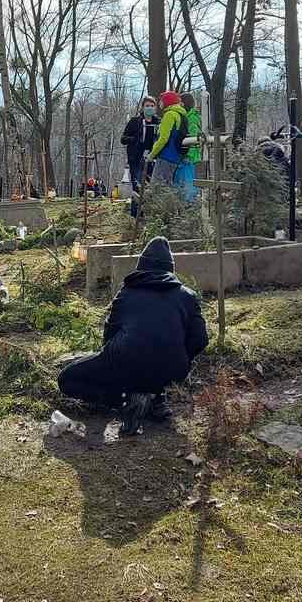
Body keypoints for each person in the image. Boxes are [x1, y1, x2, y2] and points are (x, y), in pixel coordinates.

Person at [57, 236, 208, 434]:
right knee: (153, 364)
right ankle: (154, 397)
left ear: (141, 267)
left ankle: (124, 399)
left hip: (126, 361)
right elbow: (201, 340)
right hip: (173, 370)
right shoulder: (186, 296)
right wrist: (178, 357)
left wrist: (111, 365)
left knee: (66, 379)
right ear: (170, 268)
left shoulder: (127, 293)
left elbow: (109, 336)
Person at [148, 91, 189, 188]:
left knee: (157, 187)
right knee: (168, 186)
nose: (159, 103)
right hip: (176, 156)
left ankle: (157, 203)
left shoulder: (169, 115)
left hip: (166, 156)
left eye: (161, 101)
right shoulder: (182, 115)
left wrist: (152, 154)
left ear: (167, 102)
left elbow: (163, 138)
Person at [120, 96, 159, 197]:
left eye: (152, 106)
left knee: (150, 186)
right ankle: (135, 211)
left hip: (152, 158)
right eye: (147, 106)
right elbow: (123, 139)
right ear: (142, 108)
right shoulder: (135, 121)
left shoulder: (159, 122)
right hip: (136, 159)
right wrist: (134, 139)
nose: (149, 108)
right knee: (137, 186)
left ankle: (147, 210)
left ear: (155, 108)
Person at [176, 92, 203, 202]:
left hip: (190, 156)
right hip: (191, 155)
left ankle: (189, 203)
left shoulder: (191, 117)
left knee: (188, 182)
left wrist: (187, 154)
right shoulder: (192, 116)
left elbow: (193, 138)